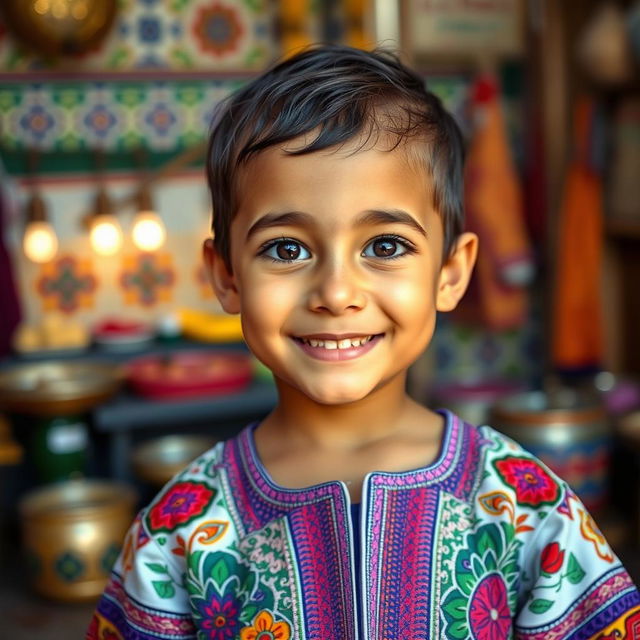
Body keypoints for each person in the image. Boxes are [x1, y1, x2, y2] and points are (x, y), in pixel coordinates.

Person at [88, 45, 639, 640]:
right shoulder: (179, 529)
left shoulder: (526, 507)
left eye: (385, 246)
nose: (336, 292)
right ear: (226, 276)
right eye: (286, 249)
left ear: (450, 273)